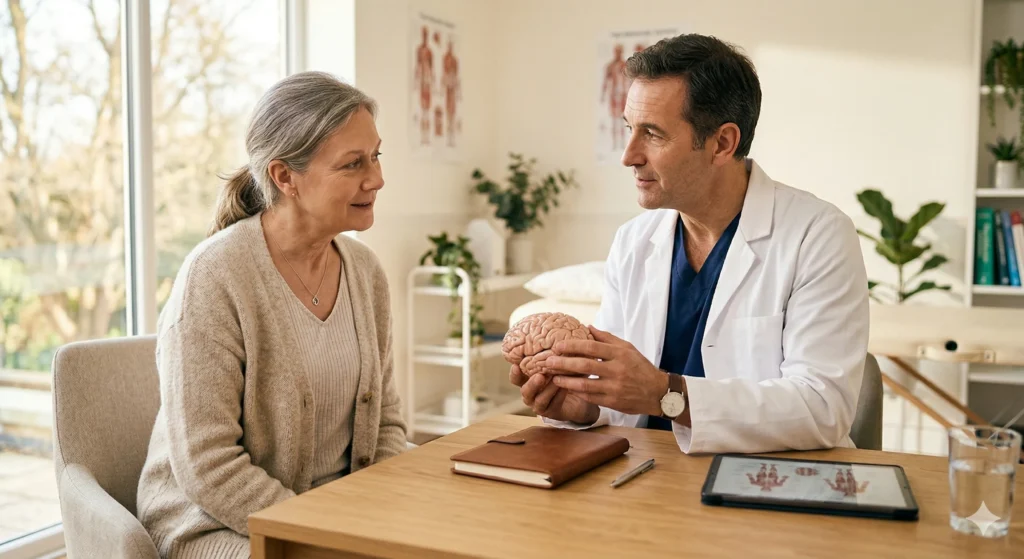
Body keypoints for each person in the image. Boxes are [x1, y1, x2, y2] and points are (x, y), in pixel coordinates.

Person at [511, 33, 869, 454]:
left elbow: (823, 409)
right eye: (629, 128)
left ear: (722, 143)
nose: (628, 155)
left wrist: (666, 393)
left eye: (653, 134)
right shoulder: (634, 242)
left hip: (771, 486)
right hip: (649, 479)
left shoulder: (818, 235)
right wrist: (585, 409)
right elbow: (620, 400)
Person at [136, 71, 407, 558]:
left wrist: (376, 512)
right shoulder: (215, 275)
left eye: (376, 155)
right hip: (214, 523)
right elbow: (209, 465)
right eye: (353, 164)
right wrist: (318, 529)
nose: (377, 178)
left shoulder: (365, 271)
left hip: (332, 520)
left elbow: (386, 423)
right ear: (285, 177)